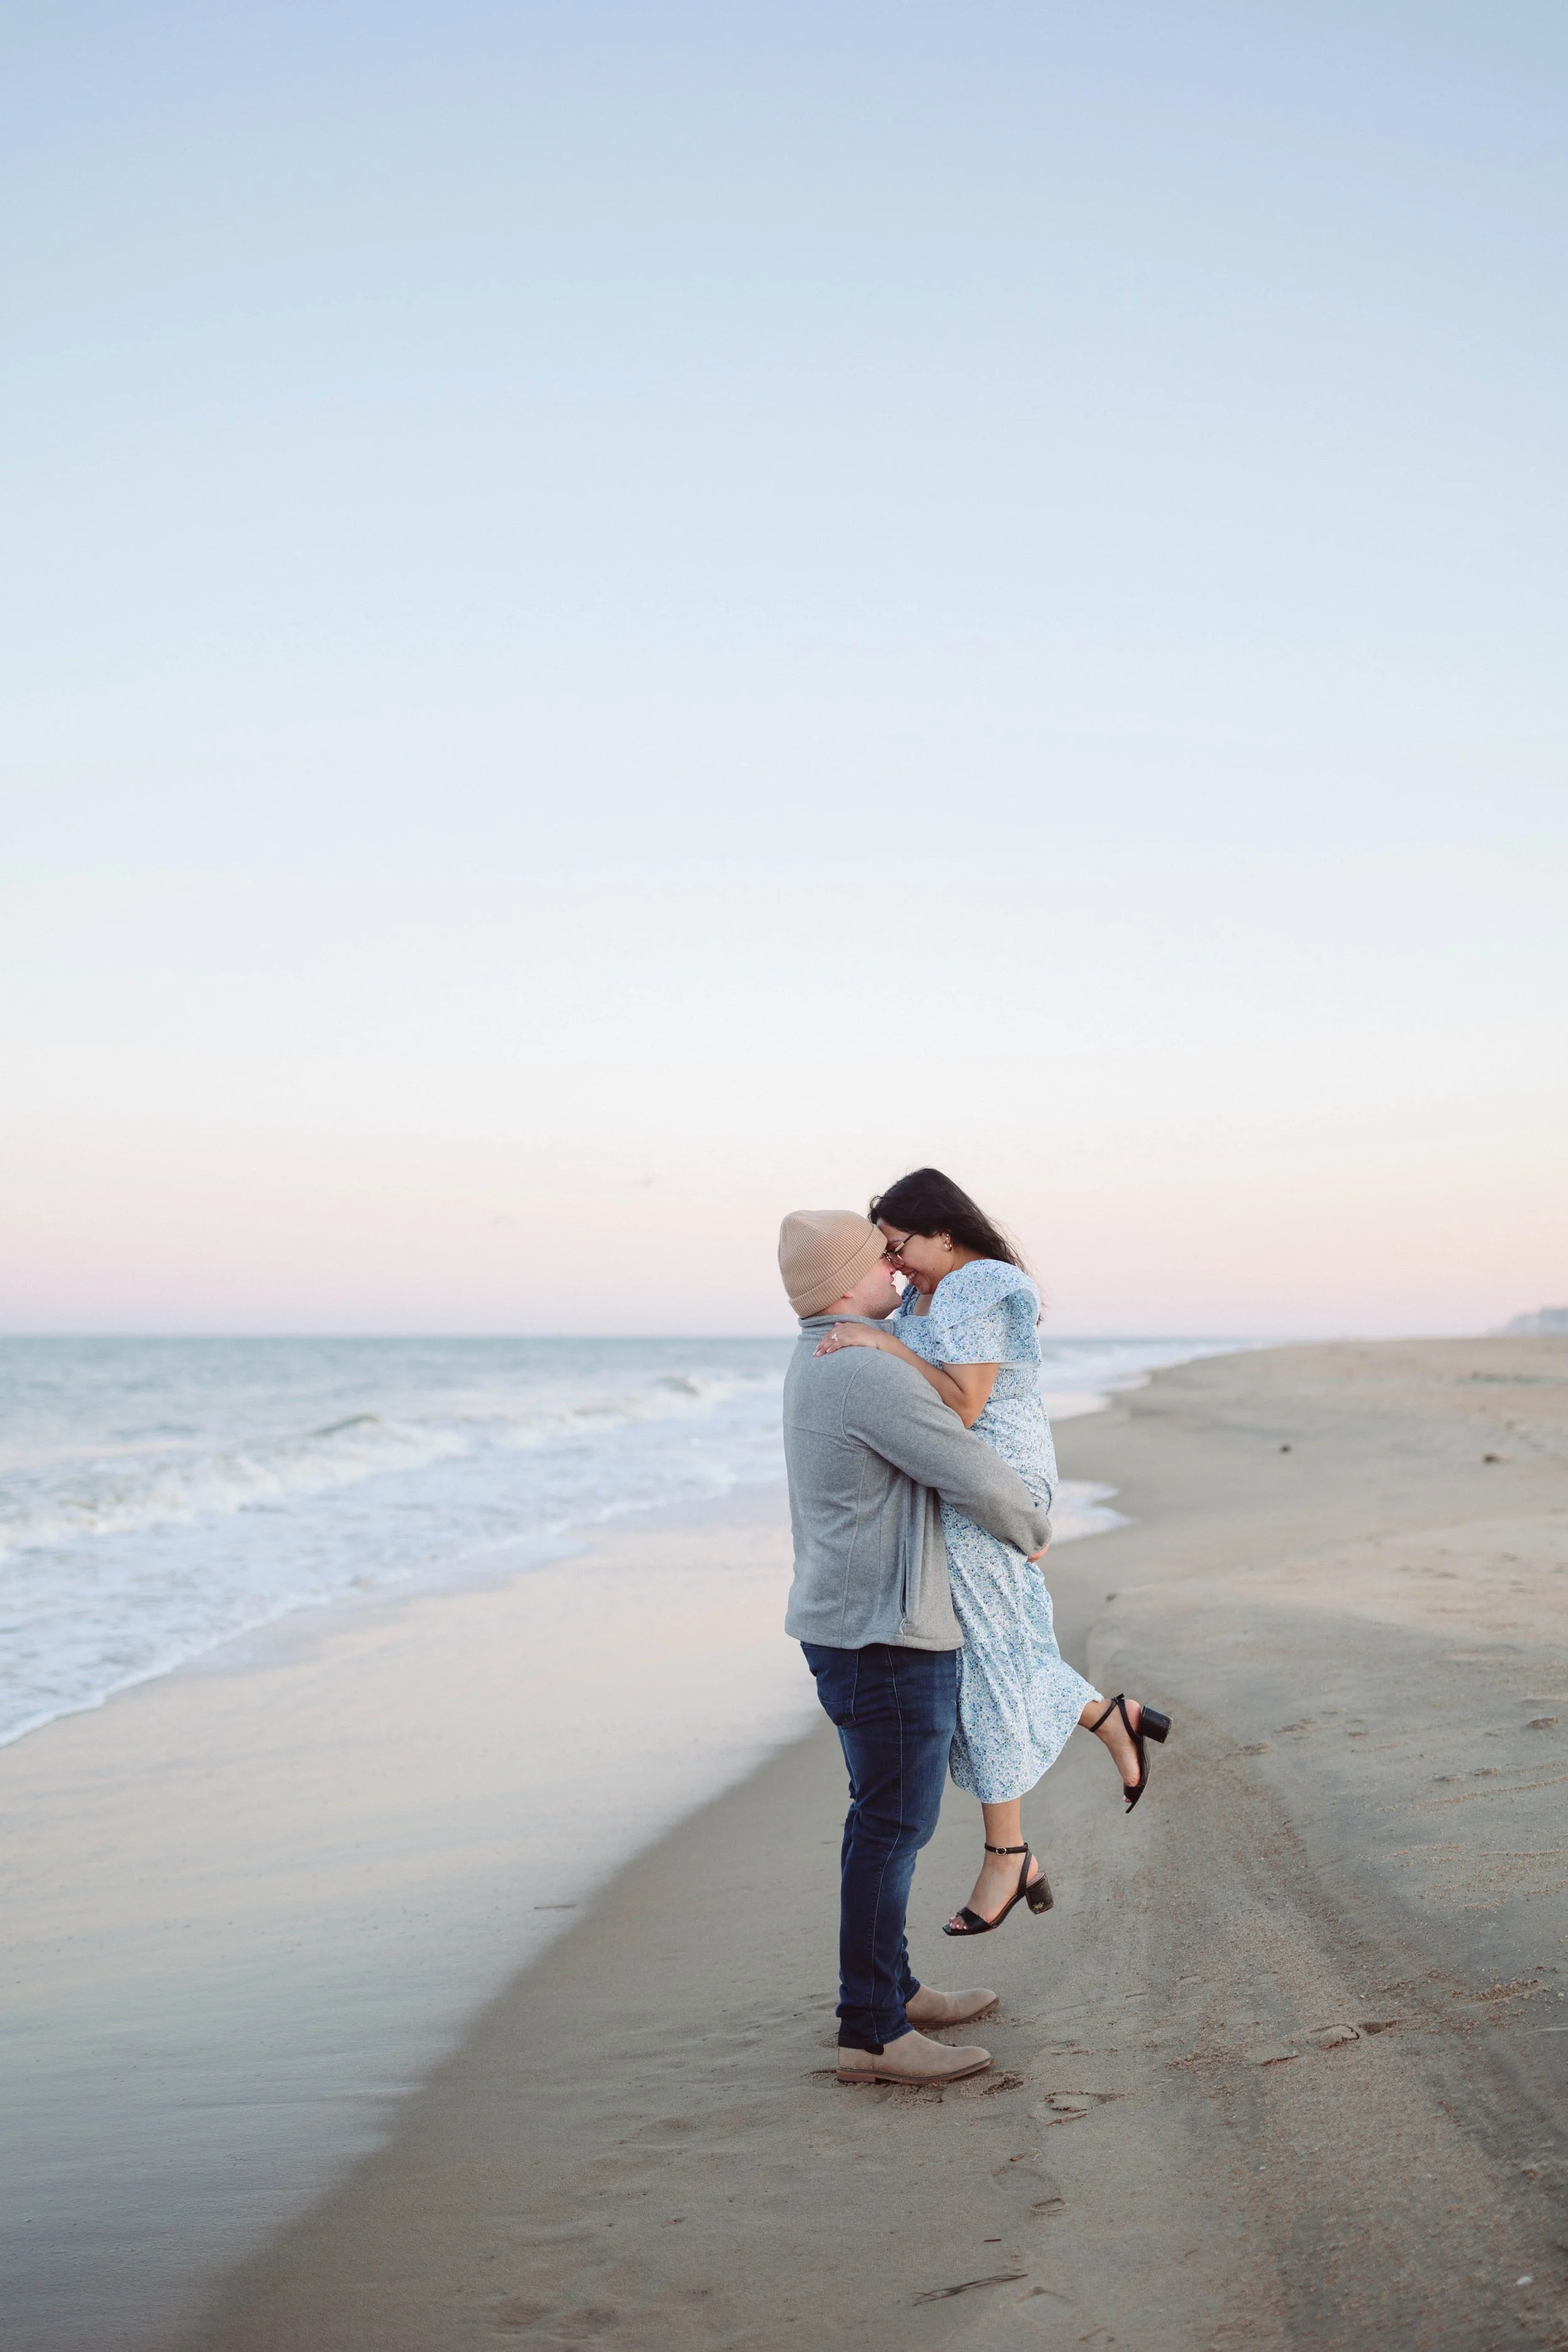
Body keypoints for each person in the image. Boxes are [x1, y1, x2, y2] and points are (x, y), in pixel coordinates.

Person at [813, 1168, 1171, 1937]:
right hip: (961, 1480)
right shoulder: (926, 1294)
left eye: (898, 1245)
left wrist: (879, 1344)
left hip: (992, 1478)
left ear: (942, 1231)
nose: (894, 1263)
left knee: (986, 1659)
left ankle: (1008, 1852)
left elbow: (964, 1402)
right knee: (992, 1651)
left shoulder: (982, 1285)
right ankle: (1106, 1720)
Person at [778, 1208, 1056, 2088]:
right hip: (885, 1635)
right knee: (892, 1829)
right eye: (878, 1262)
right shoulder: (860, 1368)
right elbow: (970, 1471)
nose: (896, 1273)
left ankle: (893, 1989)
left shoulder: (831, 1353)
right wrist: (1032, 1526)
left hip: (849, 1623)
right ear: (840, 1286)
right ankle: (871, 2030)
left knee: (884, 1820)